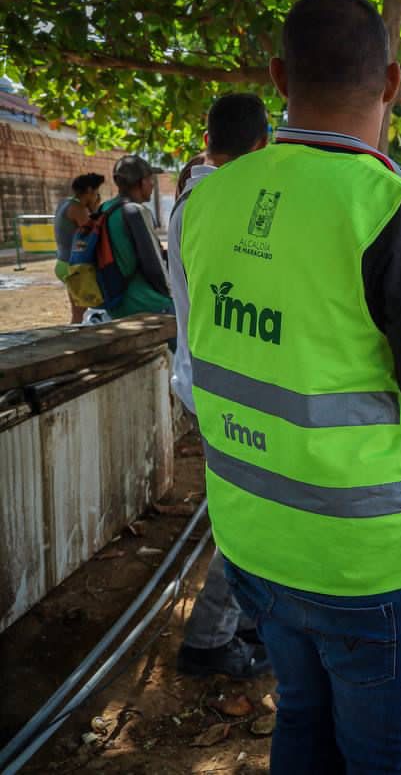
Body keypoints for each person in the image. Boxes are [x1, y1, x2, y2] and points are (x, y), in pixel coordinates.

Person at [180, 0, 401, 773]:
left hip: (255, 547)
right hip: (380, 578)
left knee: (302, 720)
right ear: (394, 82)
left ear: (278, 77)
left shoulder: (205, 204)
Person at [171, 95, 272, 680]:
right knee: (249, 516)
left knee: (246, 508)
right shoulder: (223, 201)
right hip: (225, 387)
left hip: (205, 381)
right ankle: (208, 638)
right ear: (262, 145)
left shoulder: (193, 196)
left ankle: (246, 618)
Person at [101, 155, 173, 316]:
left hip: (116, 303)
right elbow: (153, 263)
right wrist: (170, 294)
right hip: (146, 302)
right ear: (141, 182)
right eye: (150, 179)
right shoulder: (135, 211)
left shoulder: (105, 208)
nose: (153, 185)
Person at [53, 173, 104, 323]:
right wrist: (94, 209)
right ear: (89, 190)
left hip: (62, 263)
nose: (97, 197)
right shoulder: (78, 208)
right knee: (79, 314)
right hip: (74, 267)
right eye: (96, 193)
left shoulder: (65, 202)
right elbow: (93, 234)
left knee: (78, 312)